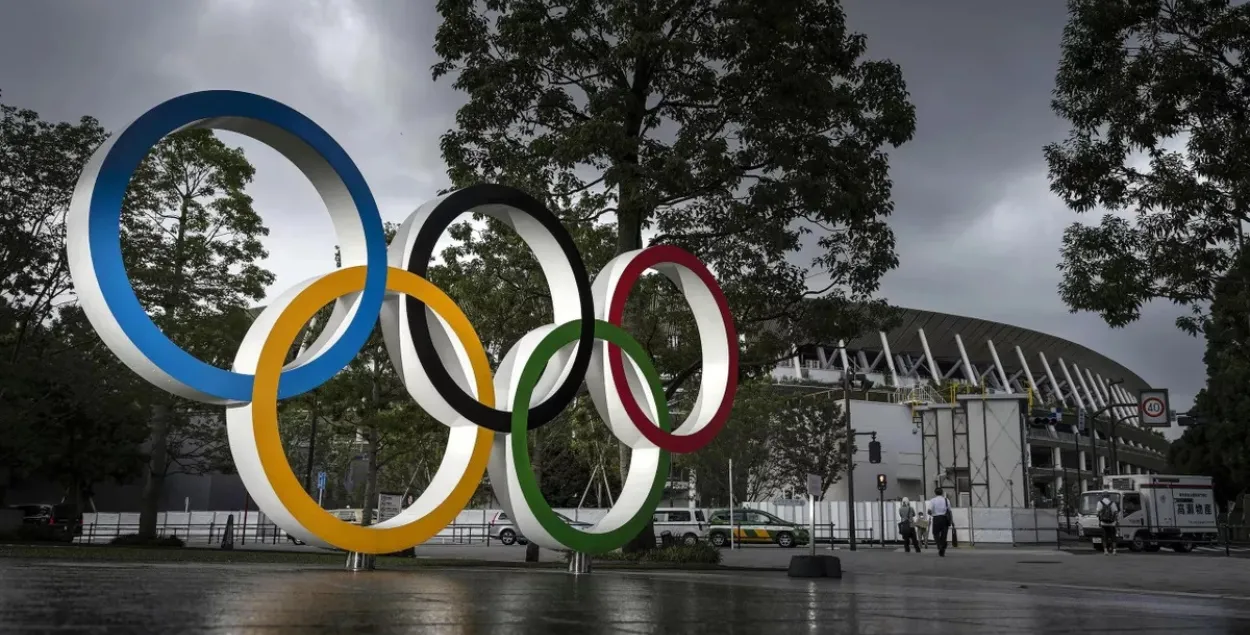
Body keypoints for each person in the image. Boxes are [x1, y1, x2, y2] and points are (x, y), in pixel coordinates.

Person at [928, 487, 952, 557]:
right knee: (944, 535)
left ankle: (939, 546)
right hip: (945, 518)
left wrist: (931, 514)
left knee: (935, 533)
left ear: (935, 493)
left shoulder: (933, 500)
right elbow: (949, 511)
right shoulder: (946, 500)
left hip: (936, 518)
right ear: (942, 492)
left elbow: (929, 511)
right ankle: (943, 547)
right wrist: (951, 521)